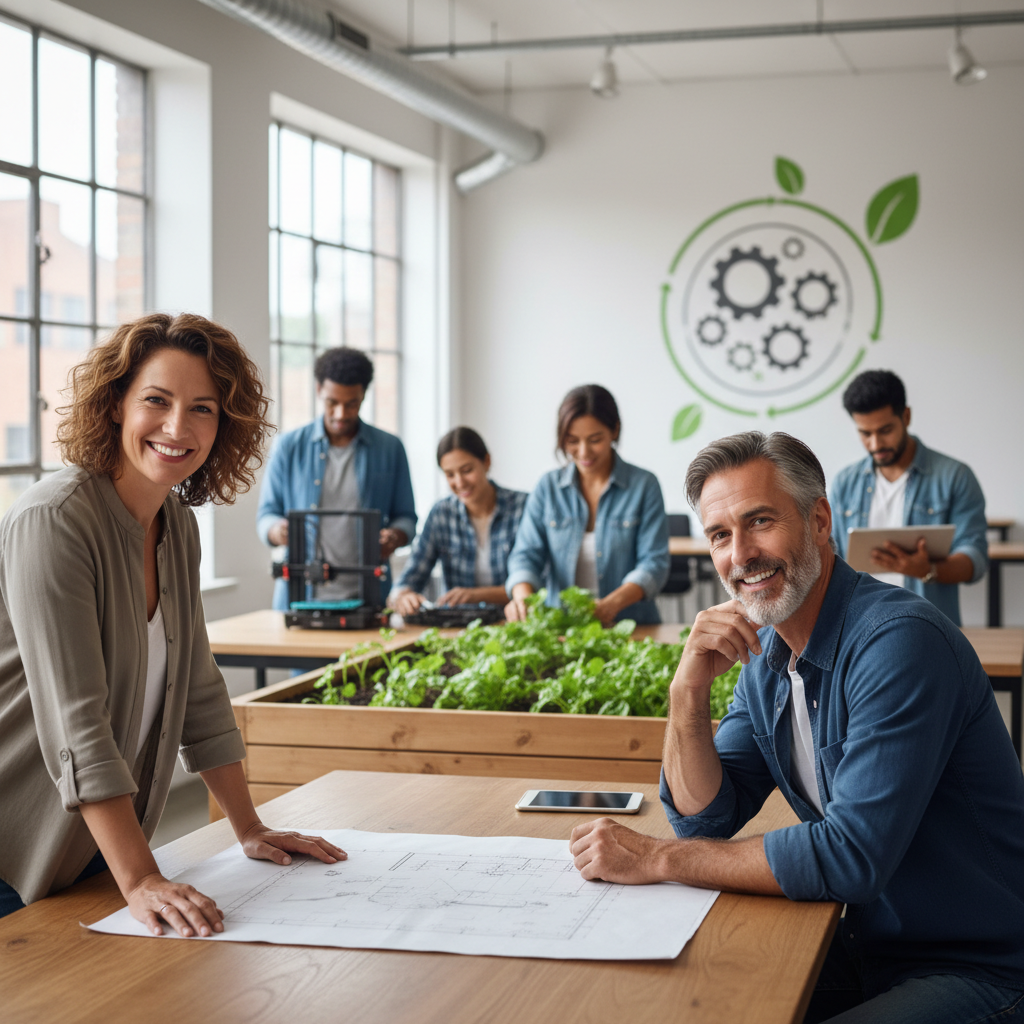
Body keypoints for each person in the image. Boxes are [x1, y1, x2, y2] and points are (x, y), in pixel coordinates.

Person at [567, 431, 1024, 1023]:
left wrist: (655, 861)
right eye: (720, 535)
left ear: (819, 522)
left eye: (760, 521)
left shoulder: (900, 643)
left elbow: (850, 855)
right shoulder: (769, 654)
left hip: (979, 966)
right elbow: (706, 816)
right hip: (864, 944)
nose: (741, 554)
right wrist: (687, 693)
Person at [0, 313, 345, 931]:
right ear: (114, 406)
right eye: (156, 400)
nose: (177, 427)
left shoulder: (177, 525)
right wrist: (141, 877)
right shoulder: (54, 521)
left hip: (92, 855)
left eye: (203, 408)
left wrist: (249, 828)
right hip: (14, 856)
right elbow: (77, 724)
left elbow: (200, 687)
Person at [256, 347, 416, 608]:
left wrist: (395, 536)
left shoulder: (390, 448)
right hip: (300, 599)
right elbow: (266, 515)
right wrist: (277, 531)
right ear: (319, 390)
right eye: (333, 403)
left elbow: (407, 517)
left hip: (369, 600)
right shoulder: (288, 446)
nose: (341, 414)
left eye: (351, 403)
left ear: (363, 394)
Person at [829, 369, 987, 625]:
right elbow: (828, 556)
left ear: (907, 416)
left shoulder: (954, 476)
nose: (876, 444)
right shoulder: (844, 483)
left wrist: (928, 571)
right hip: (858, 624)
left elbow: (975, 559)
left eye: (885, 430)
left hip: (928, 626)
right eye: (865, 434)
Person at [504, 385, 669, 626]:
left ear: (614, 431)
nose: (583, 452)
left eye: (595, 440)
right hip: (560, 627)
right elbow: (525, 555)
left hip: (631, 624)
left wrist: (611, 606)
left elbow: (654, 564)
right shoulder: (547, 487)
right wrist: (522, 598)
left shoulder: (644, 485)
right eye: (572, 441)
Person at [390, 427, 527, 617]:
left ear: (486, 462)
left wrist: (476, 596)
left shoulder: (524, 508)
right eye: (450, 474)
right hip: (457, 629)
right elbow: (408, 579)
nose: (460, 482)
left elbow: (537, 583)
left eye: (467, 470)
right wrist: (403, 596)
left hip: (512, 624)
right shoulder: (441, 514)